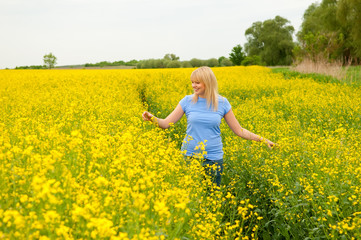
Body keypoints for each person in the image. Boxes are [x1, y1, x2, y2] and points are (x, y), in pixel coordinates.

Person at [142, 66, 276, 187]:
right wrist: (151, 118)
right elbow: (166, 124)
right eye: (192, 82)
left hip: (213, 159)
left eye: (197, 82)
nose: (193, 85)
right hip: (189, 157)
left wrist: (263, 140)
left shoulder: (222, 103)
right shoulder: (187, 101)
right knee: (191, 200)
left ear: (208, 82)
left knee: (212, 198)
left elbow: (239, 130)